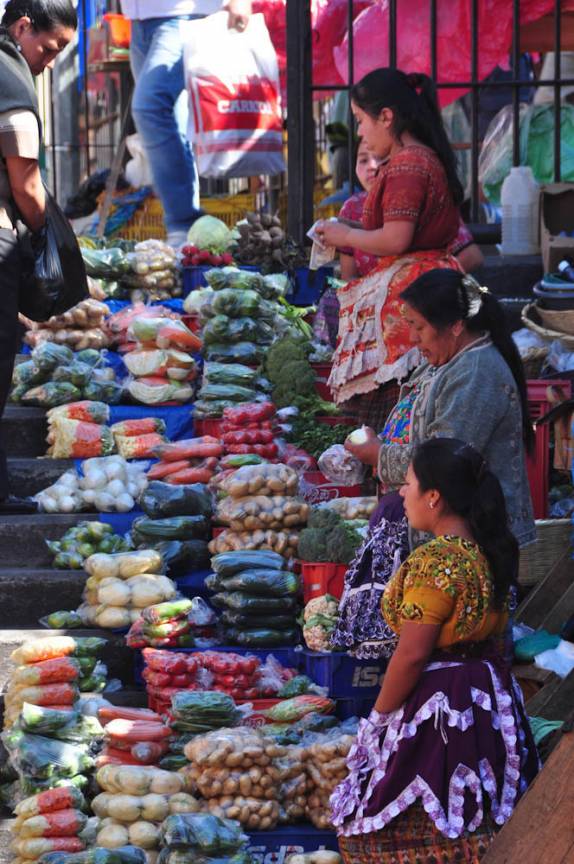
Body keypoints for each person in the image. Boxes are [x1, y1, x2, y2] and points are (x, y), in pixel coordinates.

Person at [330, 438, 540, 863]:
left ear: (434, 497)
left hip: (442, 705)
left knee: (391, 826)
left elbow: (411, 655)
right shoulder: (486, 552)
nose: (402, 493)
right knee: (478, 823)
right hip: (484, 694)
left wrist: (378, 720)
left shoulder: (438, 561)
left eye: (408, 484)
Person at [332, 269, 535, 659]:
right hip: (446, 528)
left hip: (474, 531)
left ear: (455, 326)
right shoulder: (448, 361)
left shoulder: (477, 373)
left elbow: (446, 460)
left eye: (419, 327)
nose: (412, 338)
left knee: (458, 644)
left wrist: (378, 455)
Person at [314, 67, 465, 425]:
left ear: (386, 117)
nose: (359, 132)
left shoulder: (408, 163)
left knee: (397, 420)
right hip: (422, 288)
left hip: (413, 297)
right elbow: (397, 233)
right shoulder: (417, 158)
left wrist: (346, 237)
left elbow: (396, 238)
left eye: (360, 121)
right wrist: (348, 229)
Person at [0, 0, 76, 513]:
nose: (49, 63)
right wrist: (46, 233)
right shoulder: (12, 79)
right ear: (23, 26)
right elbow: (25, 184)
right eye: (49, 49)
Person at [120, 0, 252, 248]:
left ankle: (184, 221)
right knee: (173, 121)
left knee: (149, 106)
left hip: (183, 15)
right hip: (138, 20)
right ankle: (189, 234)